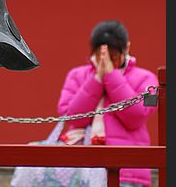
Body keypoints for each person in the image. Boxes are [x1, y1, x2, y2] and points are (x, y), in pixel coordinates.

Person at [57, 20, 158, 187]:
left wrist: (111, 76)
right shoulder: (76, 76)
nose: (106, 60)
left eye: (113, 56)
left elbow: (137, 117)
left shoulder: (148, 80)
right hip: (81, 170)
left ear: (126, 48)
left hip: (128, 173)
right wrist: (97, 79)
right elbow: (72, 118)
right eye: (102, 54)